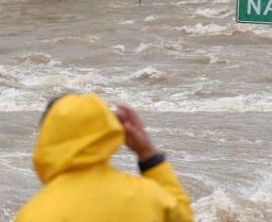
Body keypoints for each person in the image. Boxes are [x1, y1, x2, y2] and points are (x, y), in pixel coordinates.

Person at [14, 93, 193, 221]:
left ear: (47, 138)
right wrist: (148, 155)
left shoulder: (35, 214)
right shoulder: (148, 196)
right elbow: (183, 217)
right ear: (105, 132)